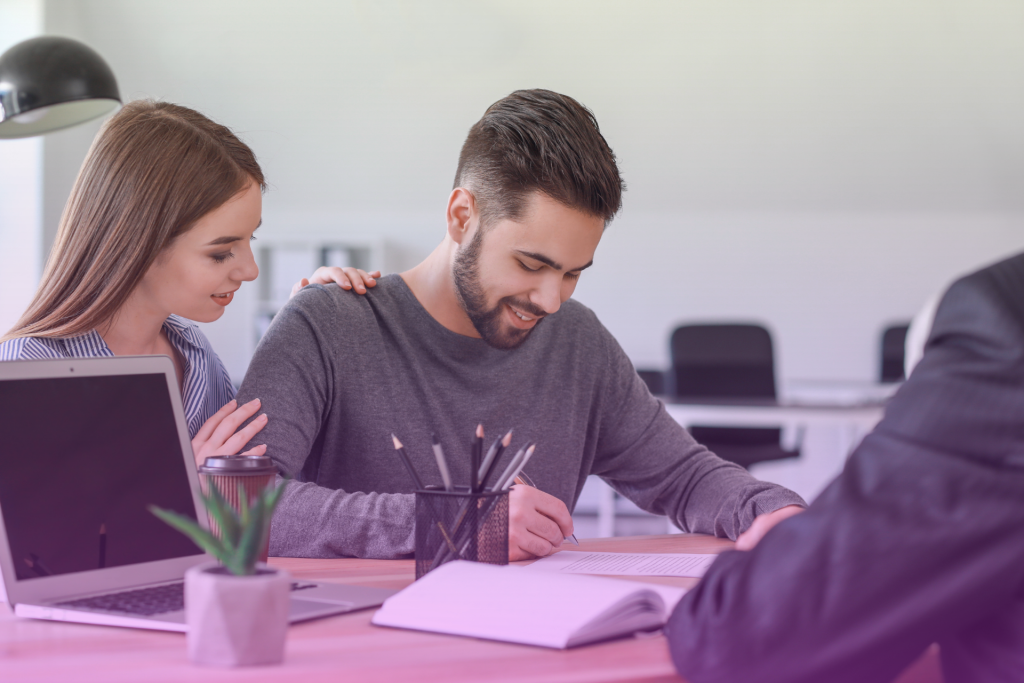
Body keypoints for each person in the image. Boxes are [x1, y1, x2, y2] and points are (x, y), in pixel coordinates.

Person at [237, 89, 806, 560]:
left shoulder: (578, 344)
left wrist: (776, 512)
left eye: (573, 274)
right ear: (463, 216)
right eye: (531, 264)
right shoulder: (327, 323)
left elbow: (685, 477)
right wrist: (454, 522)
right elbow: (239, 505)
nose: (551, 300)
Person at [665, 253, 1024, 683]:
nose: (558, 296)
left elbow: (734, 640)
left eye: (575, 273)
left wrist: (769, 521)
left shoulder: (1002, 322)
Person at [0, 100, 376, 464]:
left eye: (250, 240)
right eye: (220, 252)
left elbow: (261, 484)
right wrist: (180, 483)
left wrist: (310, 325)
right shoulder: (27, 372)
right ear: (139, 244)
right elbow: (41, 527)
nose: (250, 270)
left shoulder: (195, 356)